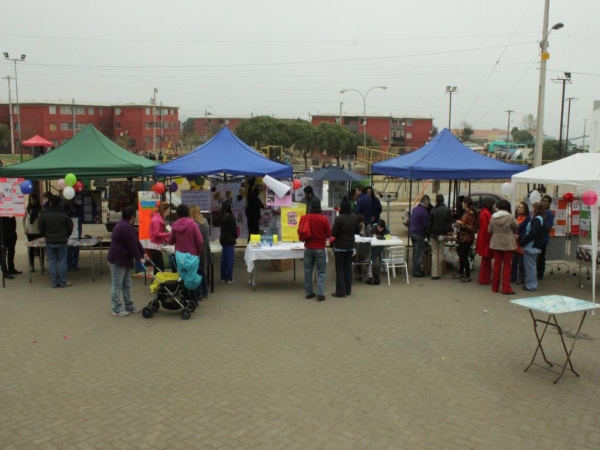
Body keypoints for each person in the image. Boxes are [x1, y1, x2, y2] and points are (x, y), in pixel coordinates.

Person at [107, 206, 147, 316]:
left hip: (124, 260)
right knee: (118, 285)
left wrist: (142, 252)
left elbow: (135, 241)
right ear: (132, 216)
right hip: (118, 260)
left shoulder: (127, 226)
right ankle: (117, 308)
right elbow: (132, 244)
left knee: (127, 284)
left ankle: (129, 305)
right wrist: (139, 257)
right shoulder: (125, 227)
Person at [169, 204, 204, 300]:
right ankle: (194, 300)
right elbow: (200, 241)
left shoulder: (175, 226)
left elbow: (170, 241)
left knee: (182, 278)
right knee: (192, 277)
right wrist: (198, 252)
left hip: (179, 257)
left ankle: (184, 300)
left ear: (177, 214)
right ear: (187, 213)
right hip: (192, 257)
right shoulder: (193, 224)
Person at [38, 195, 73, 288]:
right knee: (62, 261)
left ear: (50, 202)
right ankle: (63, 282)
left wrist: (45, 235)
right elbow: (70, 226)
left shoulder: (45, 214)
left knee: (52, 262)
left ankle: (54, 282)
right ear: (60, 203)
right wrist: (67, 235)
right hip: (62, 240)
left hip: (49, 240)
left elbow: (40, 227)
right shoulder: (64, 214)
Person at [299, 199, 331, 301]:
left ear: (311, 207)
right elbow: (328, 234)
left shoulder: (306, 218)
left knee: (308, 271)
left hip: (308, 248)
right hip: (320, 248)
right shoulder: (324, 219)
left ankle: (309, 292)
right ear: (320, 207)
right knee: (321, 272)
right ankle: (320, 294)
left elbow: (301, 231)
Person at [331, 196, 360, 298]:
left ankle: (340, 291)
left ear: (341, 208)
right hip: (350, 246)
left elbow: (333, 233)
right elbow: (358, 231)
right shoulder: (354, 217)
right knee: (348, 267)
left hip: (339, 247)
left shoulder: (339, 219)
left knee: (340, 269)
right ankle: (348, 290)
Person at [488, 200, 518, 295]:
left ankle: (495, 287)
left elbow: (489, 230)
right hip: (508, 244)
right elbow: (516, 226)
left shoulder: (493, 217)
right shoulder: (510, 217)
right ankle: (506, 288)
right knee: (507, 266)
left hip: (496, 243)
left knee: (496, 266)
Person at [521, 202, 545, 292]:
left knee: (530, 266)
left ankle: (532, 285)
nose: (532, 210)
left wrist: (523, 242)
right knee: (530, 266)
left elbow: (532, 233)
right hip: (532, 246)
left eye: (533, 208)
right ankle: (530, 283)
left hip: (531, 246)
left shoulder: (537, 220)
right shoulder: (538, 219)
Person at [427, 194, 451, 280]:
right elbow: (449, 223)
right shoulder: (447, 210)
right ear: (443, 200)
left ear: (436, 200)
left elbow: (430, 223)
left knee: (434, 253)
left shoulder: (433, 210)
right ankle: (439, 273)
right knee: (440, 253)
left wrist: (428, 231)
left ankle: (434, 274)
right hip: (443, 234)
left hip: (434, 234)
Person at [190, 205, 211, 300]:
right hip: (206, 248)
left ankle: (199, 293)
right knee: (202, 270)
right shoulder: (205, 221)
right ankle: (205, 291)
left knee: (197, 271)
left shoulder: (194, 224)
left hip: (198, 249)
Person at [454, 197, 476, 283]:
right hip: (462, 238)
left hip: (467, 238)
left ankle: (467, 275)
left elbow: (470, 227)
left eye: (463, 203)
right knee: (461, 255)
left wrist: (461, 224)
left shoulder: (470, 213)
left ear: (466, 203)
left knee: (464, 256)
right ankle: (461, 272)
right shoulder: (466, 213)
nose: (462, 204)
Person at [147, 202, 171, 274]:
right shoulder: (157, 220)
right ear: (163, 210)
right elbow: (157, 234)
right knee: (160, 267)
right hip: (155, 247)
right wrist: (168, 234)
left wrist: (170, 240)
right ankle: (158, 282)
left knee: (158, 267)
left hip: (155, 246)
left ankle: (157, 282)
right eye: (167, 211)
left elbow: (160, 235)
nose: (168, 213)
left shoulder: (157, 219)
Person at [409, 195, 430, 278]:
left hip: (412, 233)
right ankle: (416, 271)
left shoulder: (414, 209)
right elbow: (425, 225)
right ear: (426, 202)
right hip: (419, 234)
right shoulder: (424, 212)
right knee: (418, 253)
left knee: (415, 251)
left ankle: (416, 269)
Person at [476, 197, 495, 285]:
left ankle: (485, 277)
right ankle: (484, 278)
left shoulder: (484, 212)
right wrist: (488, 238)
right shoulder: (486, 213)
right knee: (486, 260)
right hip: (486, 239)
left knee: (486, 260)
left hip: (484, 238)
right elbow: (485, 228)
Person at [511, 202, 530, 284]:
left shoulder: (528, 219)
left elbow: (527, 231)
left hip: (521, 242)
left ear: (525, 209)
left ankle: (521, 278)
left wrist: (520, 236)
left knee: (521, 263)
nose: (519, 209)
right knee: (514, 261)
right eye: (519, 207)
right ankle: (512, 277)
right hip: (514, 243)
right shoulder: (516, 217)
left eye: (522, 208)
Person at [23, 194, 43, 273]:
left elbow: (43, 219)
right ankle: (32, 266)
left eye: (34, 199)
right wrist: (25, 229)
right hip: (30, 232)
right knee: (31, 250)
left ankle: (42, 265)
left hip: (39, 232)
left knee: (40, 249)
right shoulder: (27, 209)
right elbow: (23, 220)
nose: (33, 201)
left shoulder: (41, 209)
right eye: (31, 200)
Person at [219, 201, 237, 284]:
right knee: (230, 259)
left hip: (223, 239)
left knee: (223, 259)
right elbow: (234, 230)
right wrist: (235, 236)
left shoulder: (222, 216)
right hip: (230, 240)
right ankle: (229, 278)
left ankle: (223, 277)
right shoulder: (231, 218)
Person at [537, 195, 555, 280]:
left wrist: (538, 227)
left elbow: (547, 228)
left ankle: (540, 273)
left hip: (543, 239)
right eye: (543, 200)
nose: (544, 202)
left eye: (546, 201)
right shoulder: (539, 213)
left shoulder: (549, 214)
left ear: (549, 203)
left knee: (541, 257)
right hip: (536, 238)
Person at [63, 198, 83, 271]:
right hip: (68, 229)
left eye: (71, 200)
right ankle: (69, 264)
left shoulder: (78, 207)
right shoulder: (64, 208)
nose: (70, 202)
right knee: (68, 247)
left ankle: (75, 264)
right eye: (68, 200)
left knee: (76, 247)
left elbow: (81, 217)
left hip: (77, 229)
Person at [367, 219, 389, 285]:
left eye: (381, 228)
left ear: (383, 227)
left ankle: (371, 265)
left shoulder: (385, 228)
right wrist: (373, 235)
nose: (379, 229)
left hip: (380, 244)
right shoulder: (374, 227)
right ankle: (380, 267)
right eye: (378, 227)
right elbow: (368, 234)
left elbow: (387, 235)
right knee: (379, 251)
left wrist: (383, 236)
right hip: (374, 245)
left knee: (379, 250)